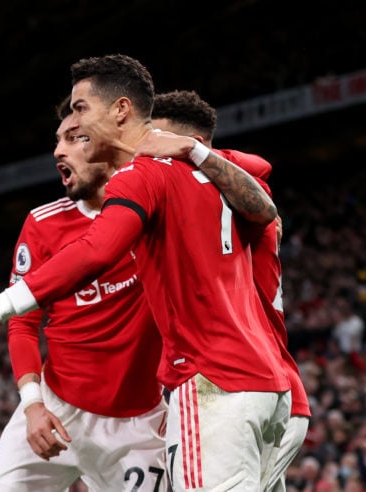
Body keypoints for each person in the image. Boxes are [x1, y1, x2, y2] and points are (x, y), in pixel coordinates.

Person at [0, 54, 291, 490]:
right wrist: (32, 404)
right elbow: (264, 201)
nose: (65, 143)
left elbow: (97, 250)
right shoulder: (50, 221)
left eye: (78, 117)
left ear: (120, 111)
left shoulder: (150, 179)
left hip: (175, 402)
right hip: (70, 406)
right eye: (60, 136)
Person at [0, 96, 168, 492]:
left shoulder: (155, 209)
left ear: (106, 144)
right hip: (54, 410)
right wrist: (33, 406)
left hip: (138, 427)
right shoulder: (42, 223)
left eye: (75, 138)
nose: (58, 151)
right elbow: (23, 323)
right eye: (58, 140)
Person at [147, 89, 312, 491]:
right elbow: (258, 163)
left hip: (228, 380)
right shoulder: (237, 194)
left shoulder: (216, 199)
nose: (151, 154)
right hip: (278, 389)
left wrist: (185, 149)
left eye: (159, 142)